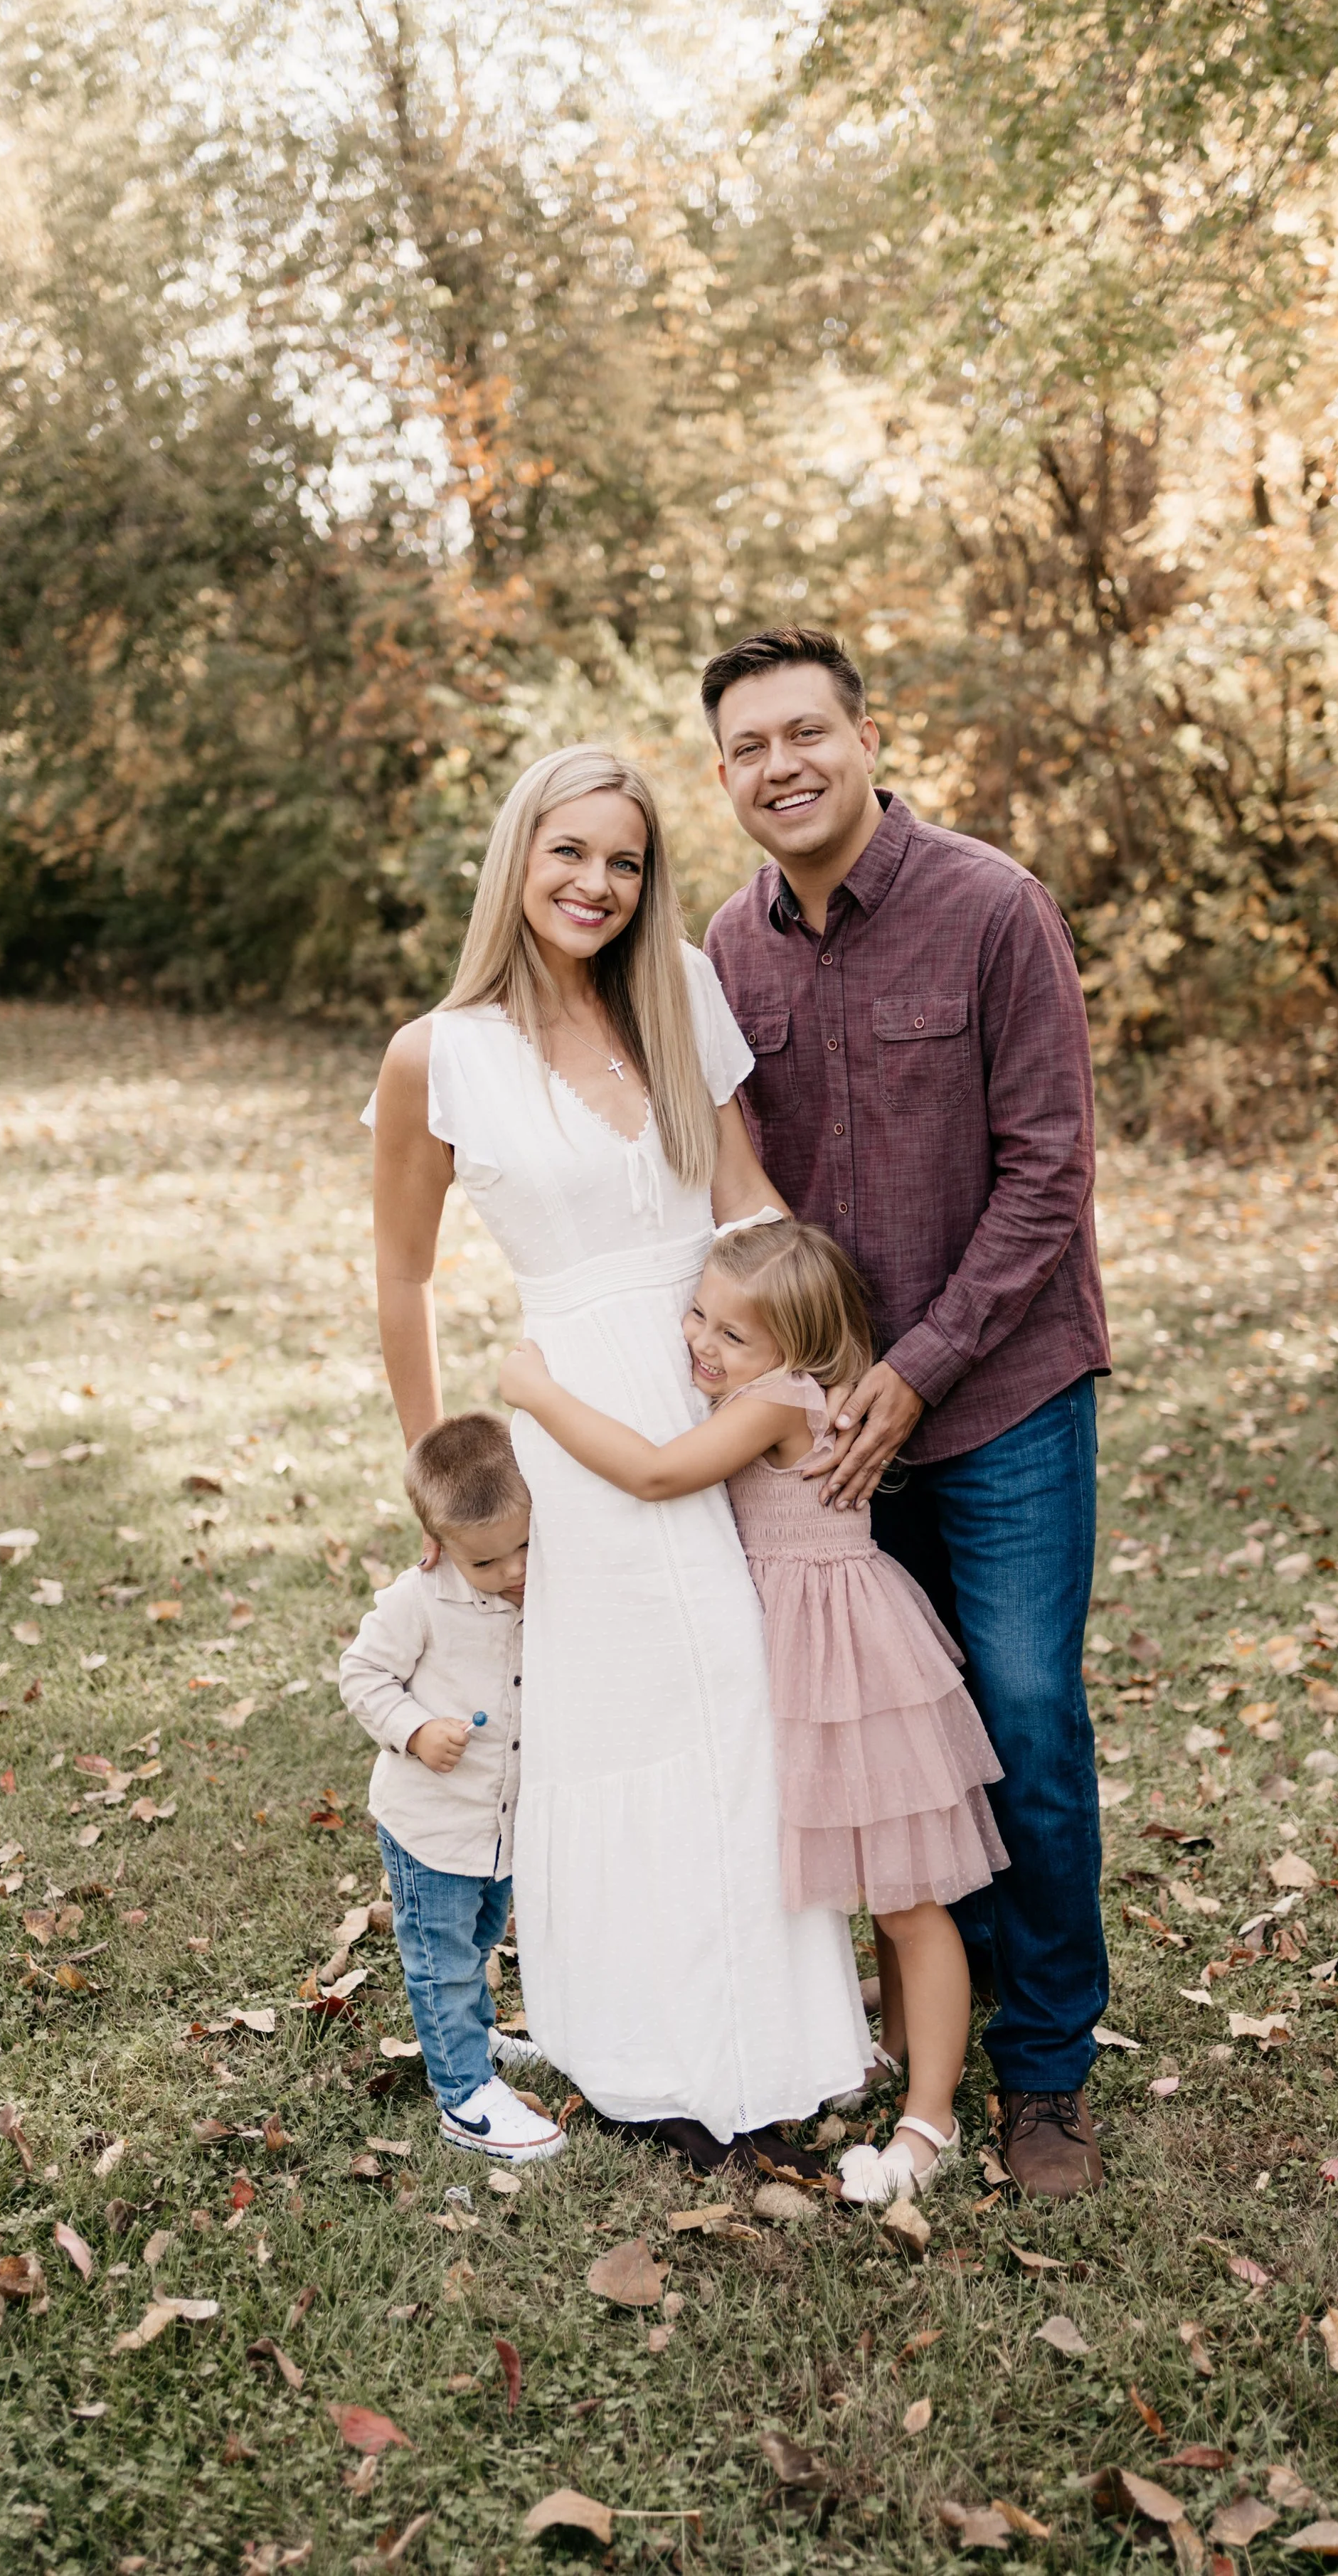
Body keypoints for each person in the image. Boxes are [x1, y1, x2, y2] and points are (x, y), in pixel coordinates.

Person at [365, 743, 869, 2168]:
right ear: (517, 858)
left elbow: (748, 1202)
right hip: (574, 1420)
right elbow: (400, 1279)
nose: (596, 882)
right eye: (567, 851)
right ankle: (643, 2055)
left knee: (738, 1708)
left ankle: (763, 2046)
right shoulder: (435, 1054)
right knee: (613, 1729)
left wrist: (804, 1370)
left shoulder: (676, 1001)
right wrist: (435, 1474)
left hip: (710, 1383)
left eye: (625, 859)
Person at [701, 626, 1113, 2199]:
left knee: (1016, 1721)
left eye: (806, 732)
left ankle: (1047, 2070)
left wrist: (918, 1365)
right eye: (748, 747)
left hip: (996, 1393)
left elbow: (1045, 1180)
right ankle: (916, 2013)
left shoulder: (992, 909)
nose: (780, 766)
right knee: (889, 1744)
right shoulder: (726, 958)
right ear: (725, 774)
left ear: (867, 737)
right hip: (823, 1446)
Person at [499, 1215, 1007, 2205]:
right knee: (868, 1881)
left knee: (906, 1894)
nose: (700, 1342)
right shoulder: (764, 1383)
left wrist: (540, 1393)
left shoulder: (778, 1402)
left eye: (733, 1334)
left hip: (844, 1660)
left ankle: (930, 2116)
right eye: (697, 1314)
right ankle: (893, 2042)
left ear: (798, 1352)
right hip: (799, 1651)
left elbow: (655, 1473)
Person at [338, 1412, 563, 2167]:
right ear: (437, 1545)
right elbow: (362, 1674)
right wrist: (412, 1727)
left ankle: (479, 2031)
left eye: (525, 1546)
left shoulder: (541, 1577)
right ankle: (464, 2094)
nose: (513, 1572)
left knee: (479, 1937)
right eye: (488, 1562)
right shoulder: (421, 1598)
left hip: (496, 1826)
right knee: (441, 1956)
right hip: (430, 1825)